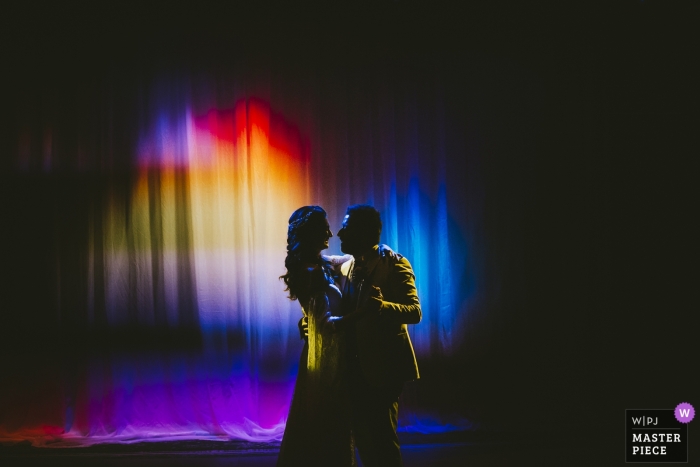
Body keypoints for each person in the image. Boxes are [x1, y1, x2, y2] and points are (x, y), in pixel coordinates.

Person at [323, 204, 421, 467]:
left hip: (385, 368)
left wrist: (383, 307)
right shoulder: (347, 264)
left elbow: (414, 311)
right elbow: (316, 259)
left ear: (364, 232)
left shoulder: (395, 263)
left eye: (347, 226)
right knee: (363, 439)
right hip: (353, 368)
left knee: (383, 440)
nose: (340, 232)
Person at [277, 205, 356, 467]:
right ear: (310, 232)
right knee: (325, 420)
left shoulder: (321, 264)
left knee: (329, 421)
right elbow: (325, 324)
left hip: (330, 351)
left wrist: (380, 252)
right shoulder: (310, 272)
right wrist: (362, 317)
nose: (331, 232)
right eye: (324, 227)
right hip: (323, 356)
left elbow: (351, 259)